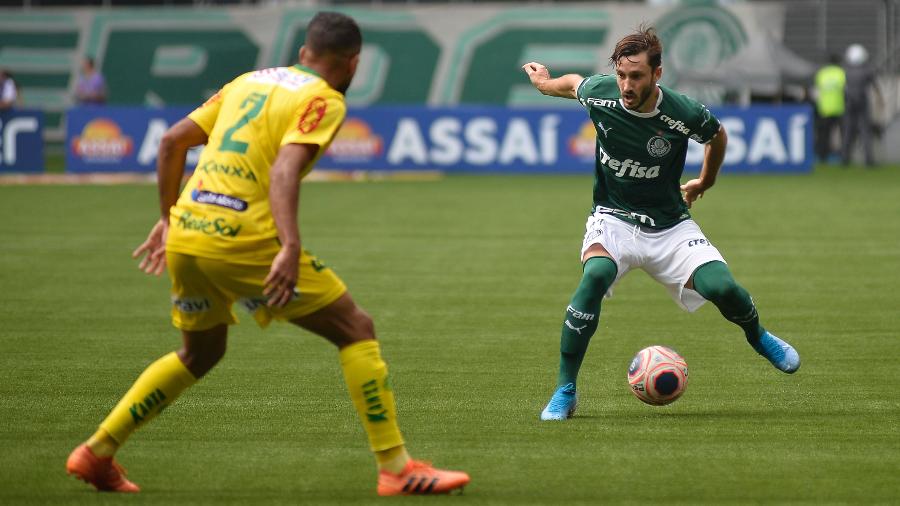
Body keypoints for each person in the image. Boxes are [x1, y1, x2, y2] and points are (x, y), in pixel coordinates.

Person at [65, 12, 469, 496]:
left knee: (201, 352)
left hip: (189, 232)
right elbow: (283, 173)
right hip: (241, 239)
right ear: (353, 64)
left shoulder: (248, 81)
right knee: (355, 328)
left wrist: (170, 216)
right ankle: (397, 469)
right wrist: (290, 246)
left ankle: (97, 452)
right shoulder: (324, 99)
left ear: (304, 53)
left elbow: (172, 142)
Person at [521, 26, 800, 421]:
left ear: (657, 75)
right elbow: (572, 84)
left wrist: (706, 181)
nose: (626, 84)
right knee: (595, 274)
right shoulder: (603, 93)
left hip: (669, 225)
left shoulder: (681, 112)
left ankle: (758, 337)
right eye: (621, 74)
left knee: (721, 286)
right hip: (614, 218)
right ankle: (565, 390)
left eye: (636, 76)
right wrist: (543, 82)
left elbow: (716, 135)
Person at [841, 44, 881, 167]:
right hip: (862, 101)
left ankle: (845, 159)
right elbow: (875, 86)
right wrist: (880, 99)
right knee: (865, 130)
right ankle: (869, 159)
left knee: (848, 131)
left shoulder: (845, 70)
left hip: (849, 102)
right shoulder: (867, 70)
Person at [813, 53, 845, 163]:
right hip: (840, 108)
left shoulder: (822, 73)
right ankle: (844, 156)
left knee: (823, 135)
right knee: (843, 135)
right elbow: (846, 90)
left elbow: (816, 92)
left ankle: (822, 157)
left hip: (824, 109)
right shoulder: (841, 73)